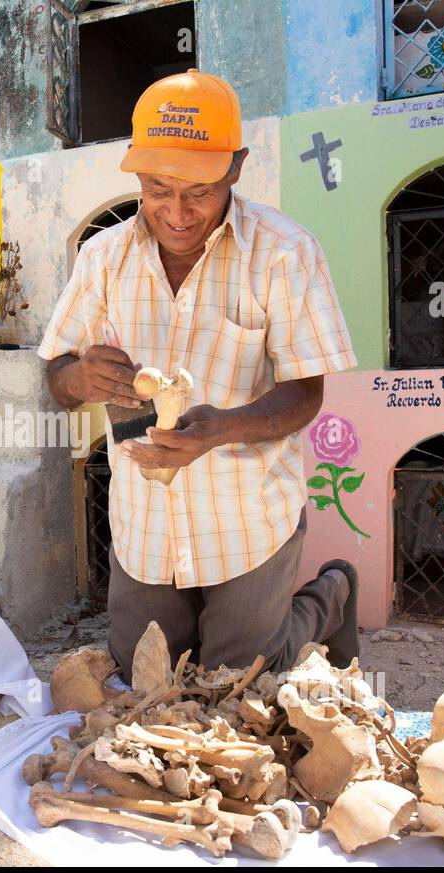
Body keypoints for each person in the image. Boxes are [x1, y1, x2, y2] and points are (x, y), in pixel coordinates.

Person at [38, 70, 361, 678]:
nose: (178, 213)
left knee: (237, 680)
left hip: (246, 515)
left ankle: (330, 596)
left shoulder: (283, 252)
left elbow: (305, 393)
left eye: (201, 192)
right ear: (136, 176)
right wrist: (78, 377)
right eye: (158, 189)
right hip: (144, 522)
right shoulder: (102, 258)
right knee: (147, 678)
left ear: (235, 169)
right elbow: (57, 374)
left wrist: (221, 429)